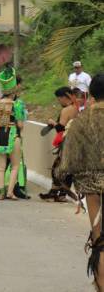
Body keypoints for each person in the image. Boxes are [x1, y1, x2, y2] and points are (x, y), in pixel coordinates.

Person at [60, 72, 104, 291]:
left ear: (92, 93)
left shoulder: (81, 120)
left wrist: (65, 179)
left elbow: (68, 161)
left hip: (91, 186)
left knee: (99, 240)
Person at [0, 65, 27, 201]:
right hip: (12, 134)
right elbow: (20, 125)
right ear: (14, 88)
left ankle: (0, 192)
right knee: (15, 166)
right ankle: (10, 192)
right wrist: (19, 128)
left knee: (0, 167)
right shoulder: (17, 104)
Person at [39, 86, 79, 203]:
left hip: (66, 142)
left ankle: (57, 193)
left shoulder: (66, 110)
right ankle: (59, 193)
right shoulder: (76, 107)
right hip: (75, 141)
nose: (59, 101)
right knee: (66, 169)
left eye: (59, 99)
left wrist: (52, 122)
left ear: (64, 97)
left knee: (57, 168)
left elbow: (61, 128)